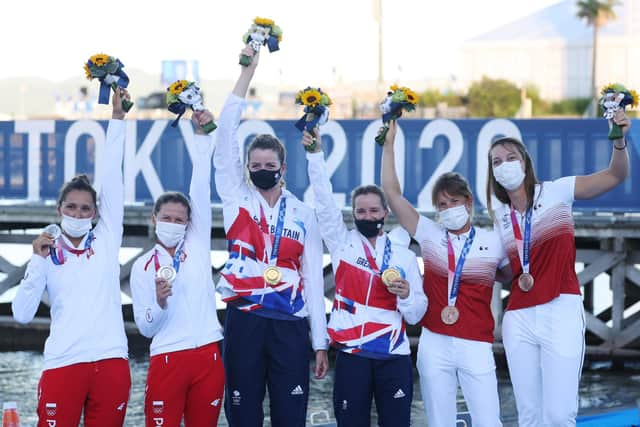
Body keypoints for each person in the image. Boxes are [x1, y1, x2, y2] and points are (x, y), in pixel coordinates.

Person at [486, 110, 630, 426]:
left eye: (510, 157)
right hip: (519, 318)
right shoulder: (500, 216)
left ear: (524, 163)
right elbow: (508, 271)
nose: (503, 165)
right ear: (492, 173)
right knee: (530, 416)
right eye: (496, 162)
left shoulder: (557, 191)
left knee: (558, 414)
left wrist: (618, 141)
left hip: (560, 308)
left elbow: (615, 176)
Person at [214, 47, 329, 427]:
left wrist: (320, 343)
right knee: (243, 417)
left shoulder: (302, 213)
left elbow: (313, 281)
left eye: (270, 166)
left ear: (283, 167)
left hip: (290, 324)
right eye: (256, 166)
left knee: (289, 418)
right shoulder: (237, 200)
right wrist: (248, 72)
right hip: (245, 319)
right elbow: (226, 132)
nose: (263, 170)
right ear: (246, 169)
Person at [12, 89, 131, 427]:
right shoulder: (45, 251)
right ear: (59, 209)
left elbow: (112, 175)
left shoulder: (107, 239)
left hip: (111, 362)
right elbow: (21, 315)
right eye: (71, 207)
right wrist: (37, 261)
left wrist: (118, 120)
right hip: (63, 363)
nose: (78, 212)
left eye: (85, 208)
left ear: (96, 213)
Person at [380, 121, 508, 427]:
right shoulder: (429, 234)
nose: (448, 208)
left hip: (476, 342)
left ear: (469, 202)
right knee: (439, 422)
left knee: (489, 422)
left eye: (454, 202)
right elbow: (393, 195)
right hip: (434, 340)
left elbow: (514, 277)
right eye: (442, 204)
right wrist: (388, 146)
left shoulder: (494, 241)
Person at [301, 129, 427, 426]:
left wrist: (407, 294)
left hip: (393, 355)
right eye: (361, 211)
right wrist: (315, 155)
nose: (367, 216)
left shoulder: (404, 256)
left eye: (373, 210)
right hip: (352, 354)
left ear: (385, 212)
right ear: (353, 214)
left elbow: (417, 314)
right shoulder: (341, 243)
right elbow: (323, 199)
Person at [130, 110, 224, 426]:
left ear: (188, 223)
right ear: (154, 219)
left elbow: (200, 184)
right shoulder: (143, 267)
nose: (173, 223)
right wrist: (159, 303)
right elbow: (145, 328)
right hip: (168, 359)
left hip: (208, 356)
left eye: (179, 219)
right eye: (166, 218)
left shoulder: (197, 244)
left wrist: (202, 136)